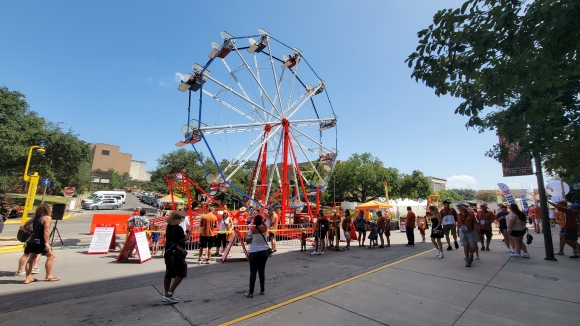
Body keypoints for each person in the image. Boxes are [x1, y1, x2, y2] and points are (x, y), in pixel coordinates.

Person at [23, 203, 59, 283]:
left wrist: (32, 232)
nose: (52, 210)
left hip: (32, 241)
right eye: (50, 208)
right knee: (51, 256)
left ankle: (28, 278)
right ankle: (48, 276)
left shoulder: (35, 217)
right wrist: (47, 243)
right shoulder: (47, 218)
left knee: (31, 259)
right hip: (41, 242)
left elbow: (23, 225)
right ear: (46, 209)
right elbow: (46, 231)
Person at [162, 210, 187, 304]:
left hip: (168, 252)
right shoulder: (178, 228)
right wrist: (188, 235)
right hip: (177, 253)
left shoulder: (169, 227)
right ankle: (170, 293)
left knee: (168, 274)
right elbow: (182, 240)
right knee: (182, 272)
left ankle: (166, 294)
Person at [245, 215, 270, 298]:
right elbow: (269, 217)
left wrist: (246, 237)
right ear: (262, 221)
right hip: (264, 251)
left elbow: (248, 242)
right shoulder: (265, 227)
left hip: (254, 252)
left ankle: (251, 292)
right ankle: (262, 290)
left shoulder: (251, 230)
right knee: (261, 271)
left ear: (254, 221)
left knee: (253, 272)